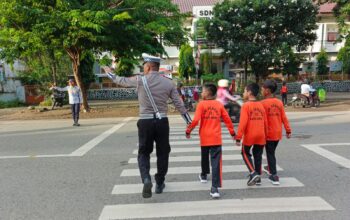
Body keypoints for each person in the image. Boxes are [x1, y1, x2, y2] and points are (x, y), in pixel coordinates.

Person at [106, 53, 192, 199]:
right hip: (162, 122)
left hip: (145, 122)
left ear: (148, 66)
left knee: (144, 152)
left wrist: (108, 71)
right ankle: (159, 183)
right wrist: (190, 122)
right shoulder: (169, 83)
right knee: (163, 153)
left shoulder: (140, 80)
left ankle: (146, 178)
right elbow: (180, 105)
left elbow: (120, 80)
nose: (143, 68)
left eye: (144, 65)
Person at [186, 84, 235, 198]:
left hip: (204, 137)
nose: (201, 93)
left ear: (208, 93)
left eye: (202, 91)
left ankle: (203, 175)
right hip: (216, 138)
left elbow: (196, 120)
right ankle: (214, 188)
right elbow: (227, 119)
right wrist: (232, 133)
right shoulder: (218, 104)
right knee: (216, 163)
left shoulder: (201, 104)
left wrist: (188, 131)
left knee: (204, 157)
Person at [235, 83, 268, 186]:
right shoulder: (261, 105)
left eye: (244, 91)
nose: (243, 93)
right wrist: (265, 135)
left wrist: (238, 137)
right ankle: (258, 178)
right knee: (257, 155)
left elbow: (243, 123)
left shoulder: (246, 105)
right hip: (261, 135)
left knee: (245, 153)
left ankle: (253, 173)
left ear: (249, 93)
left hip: (250, 135)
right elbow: (265, 122)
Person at [261, 80, 292, 185]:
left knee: (270, 154)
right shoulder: (279, 102)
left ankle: (274, 175)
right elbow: (284, 118)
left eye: (262, 89)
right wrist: (288, 130)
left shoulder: (262, 104)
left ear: (267, 91)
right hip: (277, 133)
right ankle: (269, 167)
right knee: (271, 152)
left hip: (268, 133)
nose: (261, 90)